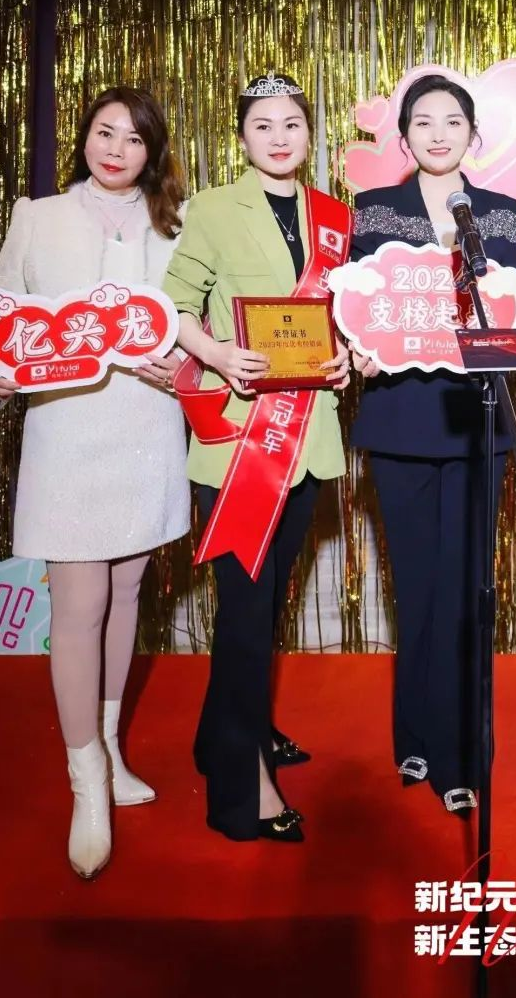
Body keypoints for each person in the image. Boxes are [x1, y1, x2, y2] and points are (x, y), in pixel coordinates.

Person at [0, 87, 190, 880]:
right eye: (105, 133)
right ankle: (86, 783)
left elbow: (192, 327)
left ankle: (109, 747)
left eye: (133, 139)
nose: (116, 150)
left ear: (151, 152)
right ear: (84, 139)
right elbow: (1, 325)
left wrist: (183, 368)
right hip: (67, 429)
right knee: (78, 606)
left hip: (145, 427)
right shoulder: (37, 217)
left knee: (126, 590)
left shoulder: (177, 224)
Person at [163, 72, 351, 844]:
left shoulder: (334, 217)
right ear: (241, 137)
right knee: (244, 616)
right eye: (263, 126)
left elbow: (345, 318)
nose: (279, 137)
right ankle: (243, 793)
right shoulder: (212, 209)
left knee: (265, 610)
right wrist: (216, 353)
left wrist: (347, 360)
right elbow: (173, 306)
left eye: (292, 125)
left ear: (309, 135)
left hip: (309, 441)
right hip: (241, 445)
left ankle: (224, 738)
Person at [350, 72, 516, 815]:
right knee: (416, 588)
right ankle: (415, 736)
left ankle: (464, 755)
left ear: (473, 134)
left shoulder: (501, 213)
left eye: (452, 121)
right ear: (404, 137)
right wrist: (357, 346)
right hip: (399, 418)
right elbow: (356, 304)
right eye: (422, 121)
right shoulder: (373, 209)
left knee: (465, 592)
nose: (438, 133)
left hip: (475, 422)